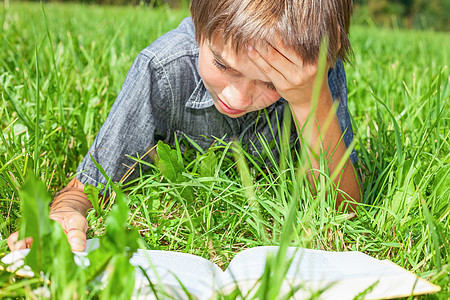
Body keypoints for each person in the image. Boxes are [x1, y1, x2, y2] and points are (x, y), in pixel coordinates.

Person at [8, 0, 361, 252]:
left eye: (272, 84)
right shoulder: (165, 67)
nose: (236, 98)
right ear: (198, 26)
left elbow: (343, 209)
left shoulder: (309, 75)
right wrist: (64, 213)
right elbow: (84, 189)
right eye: (222, 65)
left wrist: (308, 101)